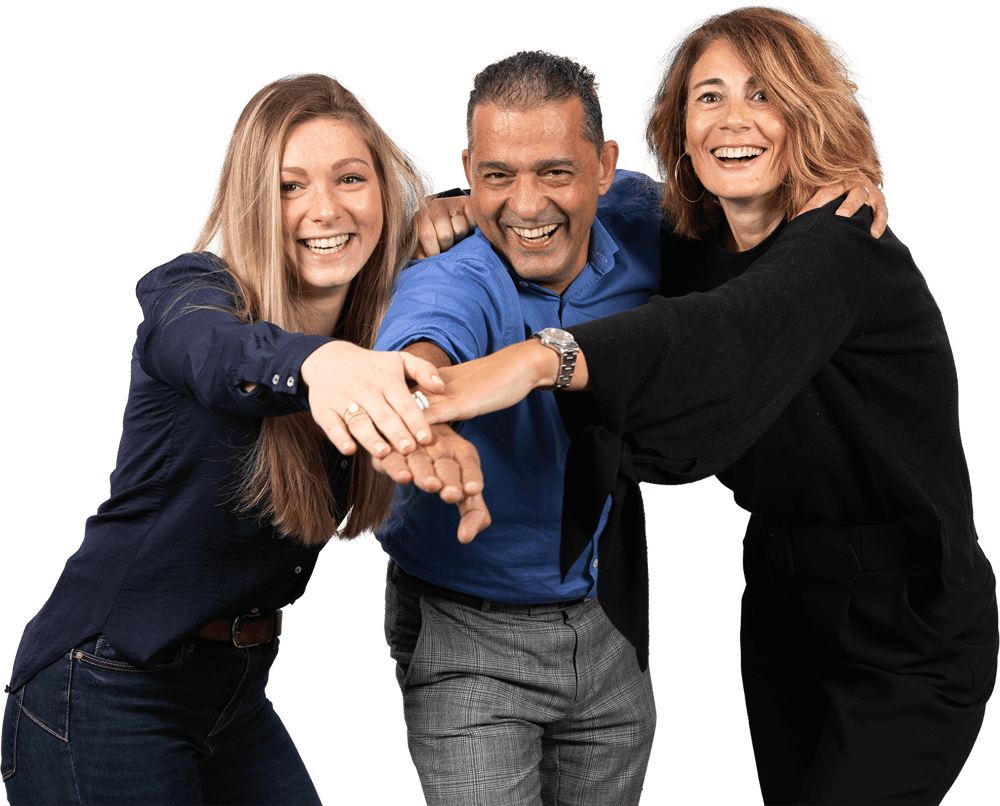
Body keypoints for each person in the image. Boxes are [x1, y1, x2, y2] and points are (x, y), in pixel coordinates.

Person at [420, 7, 999, 805]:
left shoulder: (843, 245)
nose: (734, 121)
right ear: (679, 129)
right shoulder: (688, 237)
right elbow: (570, 195)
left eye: (764, 96)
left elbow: (727, 332)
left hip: (909, 624)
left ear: (808, 114)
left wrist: (537, 359)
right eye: (709, 98)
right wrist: (455, 203)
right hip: (783, 604)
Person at [0, 71, 483, 805]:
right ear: (253, 201)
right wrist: (320, 364)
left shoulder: (387, 320)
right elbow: (211, 352)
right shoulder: (194, 293)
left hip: (231, 695)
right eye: (290, 186)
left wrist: (450, 207)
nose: (325, 209)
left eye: (351, 178)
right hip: (104, 685)